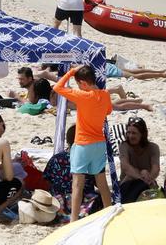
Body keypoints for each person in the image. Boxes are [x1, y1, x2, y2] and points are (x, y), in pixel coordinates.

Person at [52, 65, 113, 221]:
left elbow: (58, 87)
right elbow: (108, 111)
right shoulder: (105, 94)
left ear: (84, 83)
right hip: (99, 144)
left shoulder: (82, 95)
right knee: (102, 182)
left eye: (79, 83)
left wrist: (71, 72)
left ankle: (73, 220)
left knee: (77, 185)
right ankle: (109, 215)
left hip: (83, 145)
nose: (78, 86)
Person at [118, 116, 159, 203]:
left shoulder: (153, 147)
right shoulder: (124, 146)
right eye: (128, 132)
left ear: (142, 134)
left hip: (147, 183)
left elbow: (156, 168)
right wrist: (141, 177)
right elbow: (126, 167)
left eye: (134, 133)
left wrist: (148, 178)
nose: (130, 136)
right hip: (128, 184)